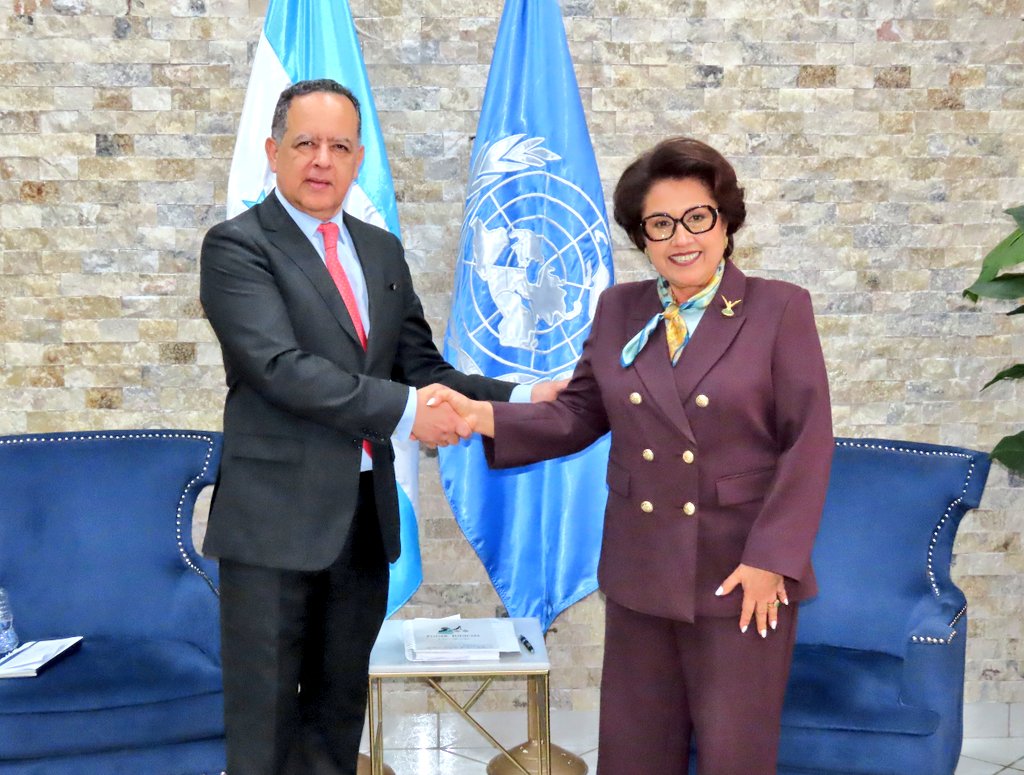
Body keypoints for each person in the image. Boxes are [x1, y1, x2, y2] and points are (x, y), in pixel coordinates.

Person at [434, 137, 834, 774]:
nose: (682, 238)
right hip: (641, 569)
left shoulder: (778, 308)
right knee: (633, 754)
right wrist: (481, 414)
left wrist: (771, 559)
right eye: (660, 224)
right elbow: (578, 413)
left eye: (697, 217)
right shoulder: (620, 309)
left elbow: (807, 443)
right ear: (641, 237)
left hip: (741, 576)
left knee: (735, 756)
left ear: (725, 222)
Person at [199, 78, 560, 775]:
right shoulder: (237, 247)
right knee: (264, 729)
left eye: (339, 146)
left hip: (362, 520)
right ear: (273, 152)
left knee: (337, 720)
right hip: (273, 526)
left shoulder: (380, 250)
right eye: (305, 143)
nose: (322, 160)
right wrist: (409, 412)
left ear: (359, 159)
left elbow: (422, 368)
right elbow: (280, 368)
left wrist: (525, 394)